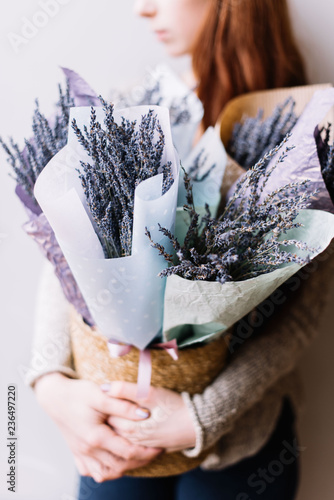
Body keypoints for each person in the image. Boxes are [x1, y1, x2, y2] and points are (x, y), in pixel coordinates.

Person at [26, 1, 333, 499]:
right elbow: (62, 262)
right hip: (118, 432)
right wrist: (51, 384)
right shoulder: (129, 110)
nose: (143, 9)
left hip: (244, 447)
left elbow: (299, 317)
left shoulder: (306, 133)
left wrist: (202, 417)